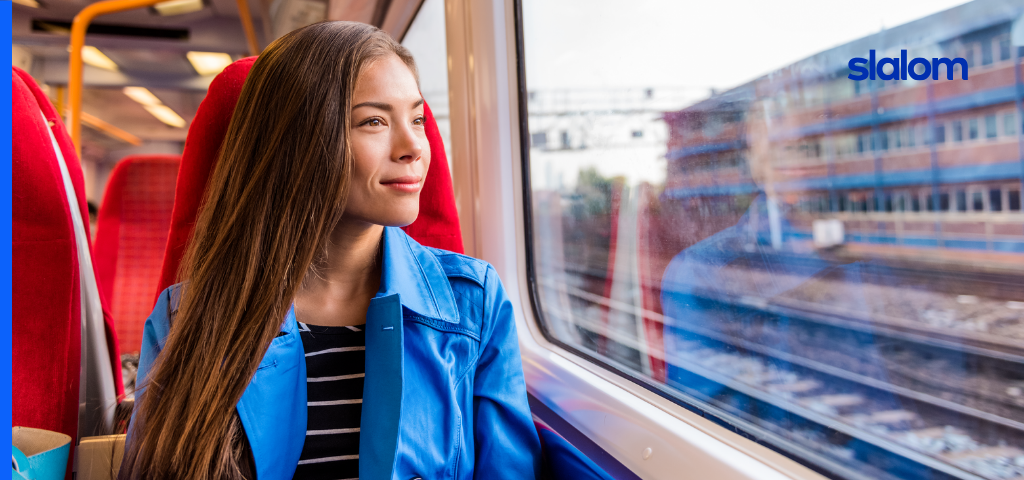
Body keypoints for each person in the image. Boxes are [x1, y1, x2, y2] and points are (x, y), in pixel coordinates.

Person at [119, 21, 541, 480]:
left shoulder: (474, 303)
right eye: (374, 122)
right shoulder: (186, 316)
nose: (414, 147)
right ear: (298, 143)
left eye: (417, 119)